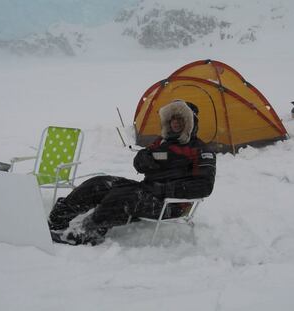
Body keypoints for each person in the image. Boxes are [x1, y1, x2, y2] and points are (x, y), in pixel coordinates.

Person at [48, 100, 216, 245]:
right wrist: (143, 159)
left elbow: (204, 187)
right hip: (147, 189)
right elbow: (139, 161)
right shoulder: (162, 141)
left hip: (170, 204)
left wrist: (164, 190)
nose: (175, 123)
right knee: (100, 184)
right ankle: (56, 220)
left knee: (122, 196)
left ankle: (87, 233)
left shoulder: (200, 150)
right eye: (172, 119)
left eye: (180, 119)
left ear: (190, 123)